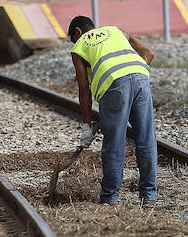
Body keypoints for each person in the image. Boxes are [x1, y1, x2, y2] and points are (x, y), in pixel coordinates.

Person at [68, 15, 158, 205]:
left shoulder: (79, 46)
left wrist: (86, 126)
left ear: (77, 32)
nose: (75, 41)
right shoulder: (116, 31)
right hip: (141, 77)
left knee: (115, 142)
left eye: (73, 38)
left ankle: (110, 198)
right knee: (145, 139)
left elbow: (84, 89)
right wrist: (132, 73)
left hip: (114, 85)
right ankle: (149, 196)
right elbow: (149, 53)